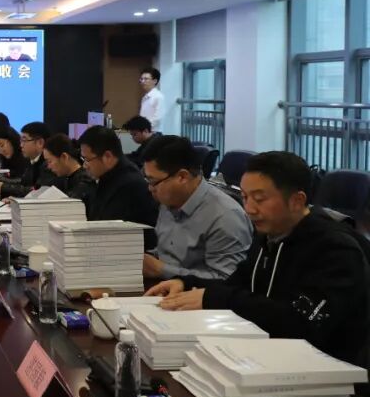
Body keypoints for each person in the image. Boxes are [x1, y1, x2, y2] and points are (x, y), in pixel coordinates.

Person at [147, 152, 370, 367]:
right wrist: (186, 283)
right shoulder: (270, 235)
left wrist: (217, 298)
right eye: (245, 197)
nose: (249, 209)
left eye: (260, 199)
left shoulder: (336, 249)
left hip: (323, 370)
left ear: (297, 200)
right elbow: (234, 286)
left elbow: (301, 321)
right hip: (264, 357)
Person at [140, 136, 252, 281]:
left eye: (153, 181)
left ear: (182, 177)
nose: (150, 188)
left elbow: (226, 280)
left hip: (196, 293)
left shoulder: (225, 216)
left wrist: (162, 270)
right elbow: (167, 253)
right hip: (164, 287)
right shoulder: (170, 199)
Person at [78, 126, 159, 249]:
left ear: (108, 156)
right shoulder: (107, 177)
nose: (85, 166)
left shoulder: (129, 184)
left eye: (87, 159)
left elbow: (106, 228)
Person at [43, 134, 96, 206]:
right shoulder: (64, 179)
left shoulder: (85, 182)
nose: (48, 166)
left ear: (64, 157)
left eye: (50, 161)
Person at [18, 122, 58, 192]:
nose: (21, 145)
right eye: (21, 141)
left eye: (24, 140)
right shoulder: (30, 160)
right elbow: (24, 183)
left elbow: (37, 191)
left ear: (40, 143)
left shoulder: (49, 163)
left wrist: (3, 187)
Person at [138, 67, 166, 132]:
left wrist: (144, 128)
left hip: (154, 133)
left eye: (146, 79)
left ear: (155, 81)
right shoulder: (144, 97)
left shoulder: (158, 96)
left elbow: (158, 118)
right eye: (141, 79)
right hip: (144, 132)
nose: (142, 81)